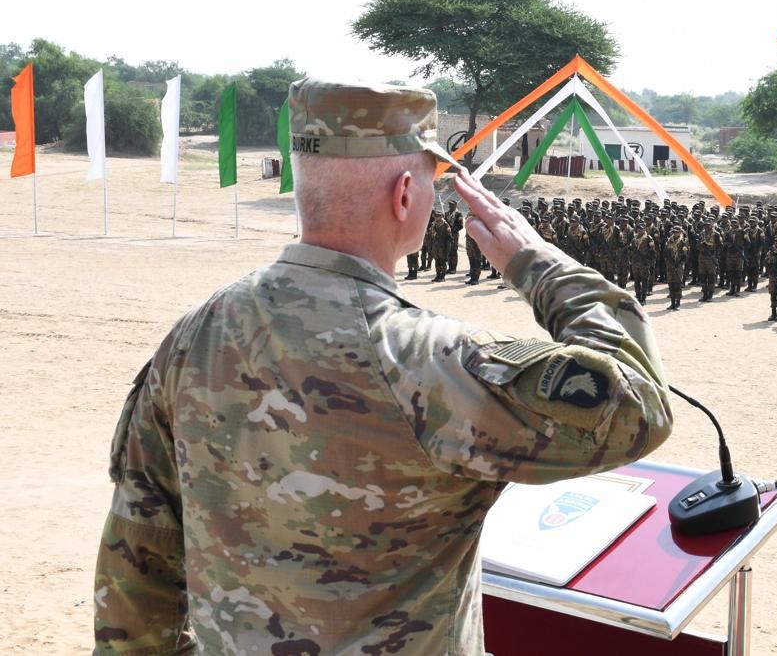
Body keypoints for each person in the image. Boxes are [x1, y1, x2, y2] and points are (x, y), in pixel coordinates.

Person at [93, 79, 673, 655]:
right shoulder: (431, 359)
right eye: (431, 182)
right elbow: (639, 406)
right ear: (403, 194)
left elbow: (141, 545)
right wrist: (540, 266)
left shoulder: (195, 333)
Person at [664, 226, 688, 310]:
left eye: (677, 232)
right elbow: (666, 253)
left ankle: (678, 303)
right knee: (671, 283)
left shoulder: (683, 241)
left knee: (677, 284)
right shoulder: (669, 241)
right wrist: (669, 262)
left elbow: (685, 255)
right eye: (674, 232)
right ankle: (672, 303)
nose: (675, 233)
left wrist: (679, 263)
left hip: (679, 266)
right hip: (670, 265)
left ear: (680, 232)